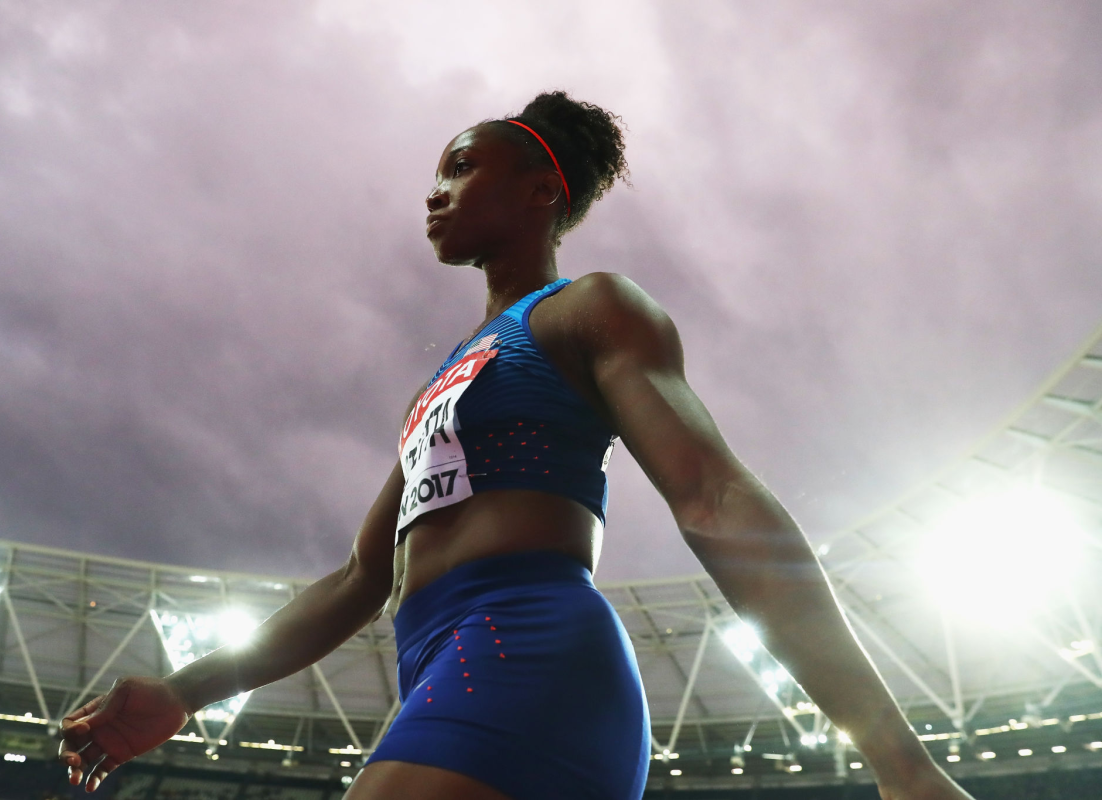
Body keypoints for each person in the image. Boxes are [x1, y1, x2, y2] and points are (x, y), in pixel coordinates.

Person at [58, 91, 975, 800]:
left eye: (461, 166)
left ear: (543, 191)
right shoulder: (445, 382)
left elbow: (715, 498)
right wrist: (186, 690)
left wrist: (895, 758)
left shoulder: (591, 309)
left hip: (524, 648)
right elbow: (355, 581)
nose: (435, 188)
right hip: (443, 671)